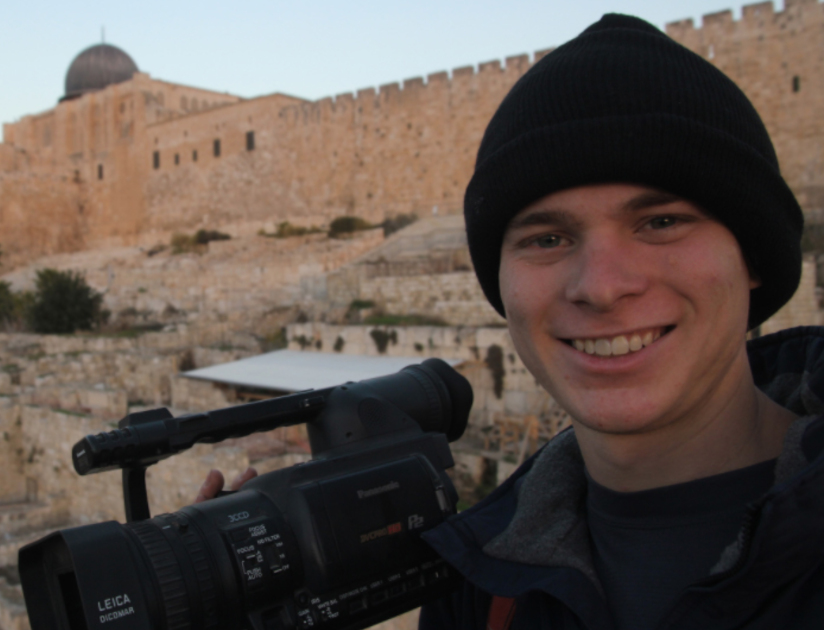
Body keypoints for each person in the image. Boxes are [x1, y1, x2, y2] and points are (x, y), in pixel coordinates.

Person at [200, 14, 824, 629]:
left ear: (754, 257)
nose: (601, 286)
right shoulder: (479, 577)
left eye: (661, 222)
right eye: (548, 237)